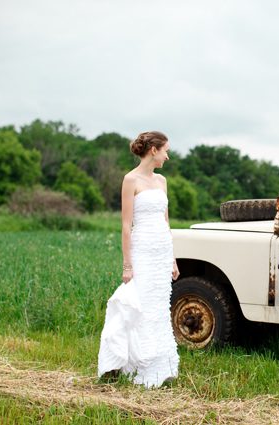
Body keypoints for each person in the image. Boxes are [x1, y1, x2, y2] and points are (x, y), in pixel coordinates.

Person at [97, 130, 180, 388]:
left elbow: (166, 222)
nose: (167, 156)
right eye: (165, 150)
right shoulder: (130, 180)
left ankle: (159, 367)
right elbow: (125, 226)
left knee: (158, 308)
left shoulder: (162, 181)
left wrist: (173, 259)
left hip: (161, 251)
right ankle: (133, 365)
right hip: (142, 250)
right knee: (139, 305)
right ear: (153, 150)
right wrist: (127, 264)